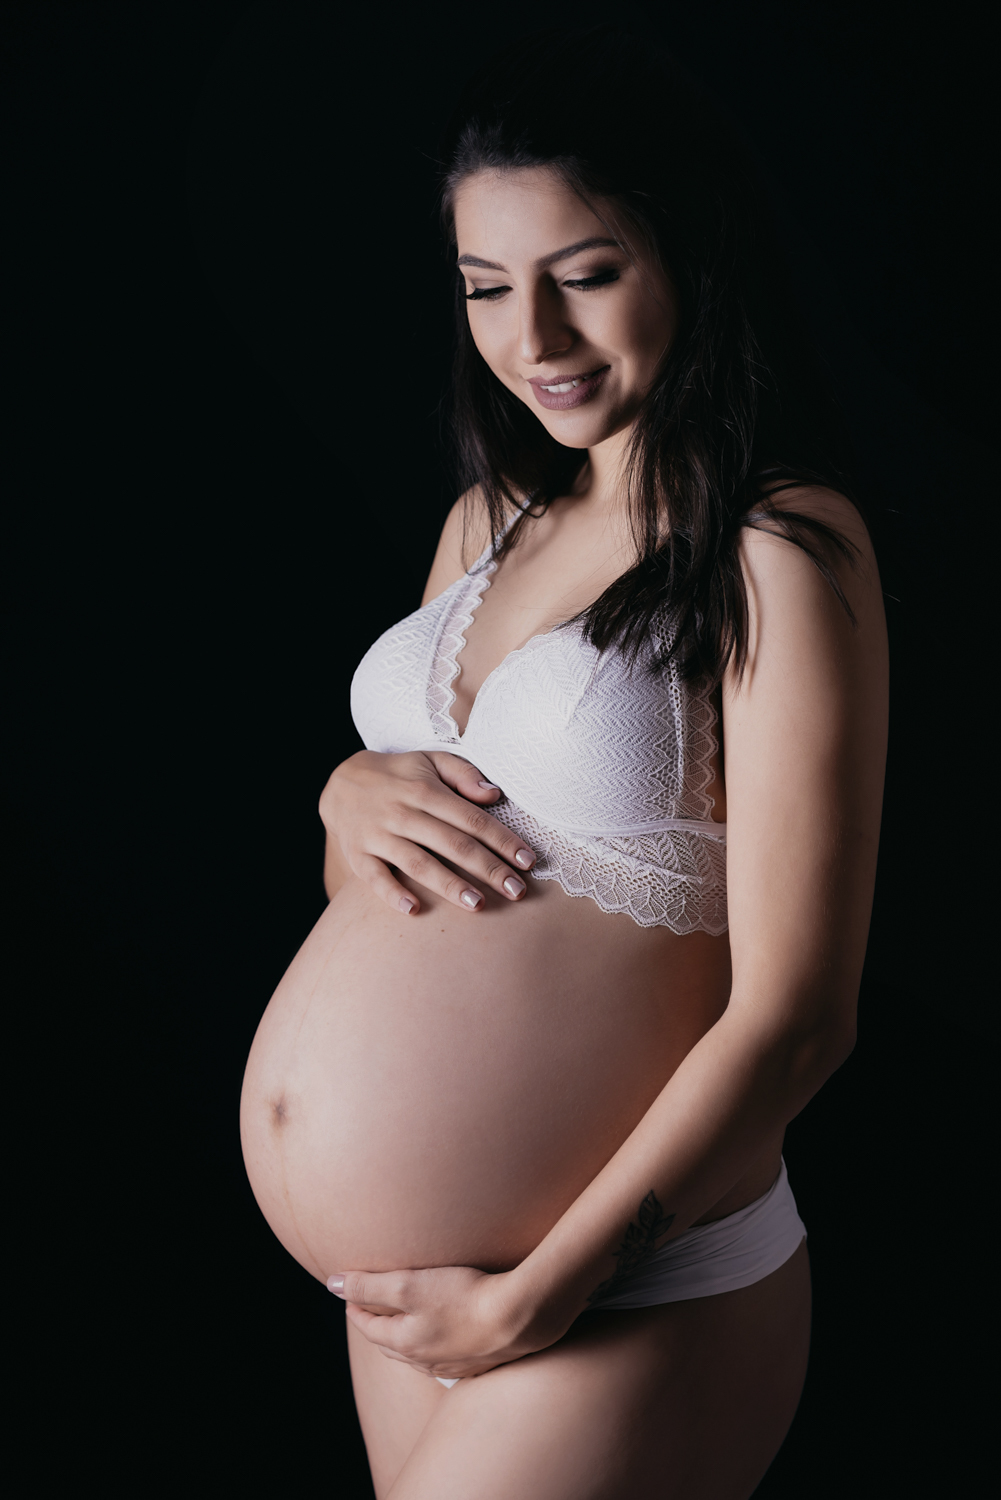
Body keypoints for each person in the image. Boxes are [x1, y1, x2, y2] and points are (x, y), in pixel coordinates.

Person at [240, 25, 888, 1498]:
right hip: (410, 1292)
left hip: (616, 1289)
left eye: (583, 274)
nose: (532, 337)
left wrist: (532, 1299)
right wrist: (343, 798)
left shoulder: (780, 550)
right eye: (485, 287)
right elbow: (403, 872)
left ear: (687, 256)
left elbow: (799, 1017)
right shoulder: (489, 526)